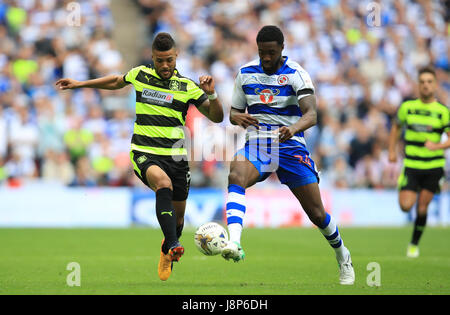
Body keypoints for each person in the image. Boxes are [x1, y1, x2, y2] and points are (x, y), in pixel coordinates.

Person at [56, 32, 224, 281]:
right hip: (144, 152)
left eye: (168, 60)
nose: (164, 65)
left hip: (177, 157)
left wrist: (211, 94)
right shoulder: (141, 74)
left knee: (178, 218)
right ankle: (174, 245)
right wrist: (80, 84)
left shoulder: (188, 87)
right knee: (162, 185)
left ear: (176, 56)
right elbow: (116, 81)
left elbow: (217, 117)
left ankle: (167, 248)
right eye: (159, 60)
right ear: (152, 58)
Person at [221, 25, 355, 285]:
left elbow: (312, 114)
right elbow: (234, 113)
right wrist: (238, 117)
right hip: (258, 144)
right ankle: (234, 242)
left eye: (271, 52)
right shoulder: (245, 73)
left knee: (317, 214)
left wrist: (292, 129)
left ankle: (342, 253)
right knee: (236, 173)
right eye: (262, 53)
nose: (266, 58)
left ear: (282, 48)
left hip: (291, 146)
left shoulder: (296, 74)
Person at [388, 66, 449, 258]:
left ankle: (414, 244)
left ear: (435, 85)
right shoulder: (408, 107)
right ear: (418, 85)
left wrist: (437, 146)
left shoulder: (442, 111)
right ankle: (409, 190)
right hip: (412, 164)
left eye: (429, 82)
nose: (426, 85)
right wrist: (391, 150)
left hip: (433, 166)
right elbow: (396, 127)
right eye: (422, 82)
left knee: (422, 207)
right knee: (406, 206)